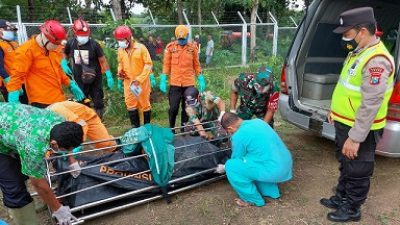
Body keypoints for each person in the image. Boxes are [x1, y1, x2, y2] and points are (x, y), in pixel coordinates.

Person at [320, 7, 395, 222]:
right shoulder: (359, 51)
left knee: (358, 168)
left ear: (362, 31)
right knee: (346, 163)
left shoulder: (376, 61)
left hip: (361, 128)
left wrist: (355, 137)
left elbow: (371, 103)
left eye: (347, 33)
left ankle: (352, 208)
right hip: (345, 121)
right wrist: (334, 111)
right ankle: (341, 196)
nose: (344, 38)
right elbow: (347, 87)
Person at [0, 102, 84, 225]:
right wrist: (58, 209)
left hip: (10, 121)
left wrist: (72, 161)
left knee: (27, 169)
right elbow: (38, 182)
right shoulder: (33, 146)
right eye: (65, 150)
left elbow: (67, 144)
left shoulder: (59, 121)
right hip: (7, 139)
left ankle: (43, 200)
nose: (67, 152)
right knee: (14, 186)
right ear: (54, 143)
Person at [217, 112, 292, 207]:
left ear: (230, 128)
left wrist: (224, 167)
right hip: (284, 164)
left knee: (231, 166)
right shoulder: (259, 122)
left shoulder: (238, 135)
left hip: (274, 171)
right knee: (254, 158)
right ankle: (271, 192)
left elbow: (237, 158)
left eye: (230, 132)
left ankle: (252, 200)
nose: (231, 134)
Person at [6, 20, 84, 108]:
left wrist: (70, 83)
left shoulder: (52, 50)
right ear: (46, 39)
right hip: (41, 102)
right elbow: (17, 75)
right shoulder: (27, 51)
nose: (57, 47)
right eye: (55, 44)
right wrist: (13, 93)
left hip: (58, 98)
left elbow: (58, 70)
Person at [62, 18, 114, 119]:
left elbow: (103, 60)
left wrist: (109, 75)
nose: (83, 37)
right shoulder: (71, 43)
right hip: (79, 78)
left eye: (85, 35)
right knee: (81, 100)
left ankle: (99, 120)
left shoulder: (94, 45)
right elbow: (65, 53)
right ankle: (86, 119)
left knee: (98, 100)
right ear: (74, 32)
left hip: (95, 78)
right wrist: (64, 62)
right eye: (81, 35)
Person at [160, 25, 206, 128]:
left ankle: (184, 128)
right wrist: (163, 77)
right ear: (176, 37)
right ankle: (171, 128)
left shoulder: (193, 48)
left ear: (187, 36)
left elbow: (196, 65)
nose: (181, 40)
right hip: (175, 83)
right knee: (173, 108)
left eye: (183, 38)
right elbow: (166, 64)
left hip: (188, 83)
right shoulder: (170, 48)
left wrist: (200, 77)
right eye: (179, 39)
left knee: (187, 108)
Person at [114, 25, 154, 128]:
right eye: (118, 40)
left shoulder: (141, 48)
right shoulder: (120, 50)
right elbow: (120, 63)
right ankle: (136, 129)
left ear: (128, 37)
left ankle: (147, 128)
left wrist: (139, 79)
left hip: (141, 83)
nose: (120, 42)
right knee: (130, 105)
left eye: (121, 40)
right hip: (128, 84)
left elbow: (148, 65)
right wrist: (120, 72)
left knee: (145, 105)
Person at [47, 101, 117, 153]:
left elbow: (82, 124)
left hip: (88, 118)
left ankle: (118, 151)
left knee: (105, 143)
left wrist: (78, 143)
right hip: (72, 125)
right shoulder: (45, 122)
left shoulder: (59, 111)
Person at [0, 19, 28, 104]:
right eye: (8, 30)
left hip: (21, 81)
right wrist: (11, 82)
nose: (11, 32)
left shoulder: (14, 43)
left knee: (26, 106)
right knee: (15, 109)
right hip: (10, 83)